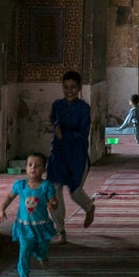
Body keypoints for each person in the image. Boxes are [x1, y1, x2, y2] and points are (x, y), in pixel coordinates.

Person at [0, 152, 59, 277]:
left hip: (41, 225)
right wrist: (2, 209)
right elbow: (9, 197)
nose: (33, 168)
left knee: (42, 246)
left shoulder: (46, 186)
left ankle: (41, 255)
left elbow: (54, 201)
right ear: (25, 168)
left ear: (43, 169)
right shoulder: (20, 185)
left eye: (38, 166)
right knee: (24, 250)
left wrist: (52, 204)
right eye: (30, 165)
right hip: (24, 226)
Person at [49, 70, 96, 238]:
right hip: (59, 154)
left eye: (73, 87)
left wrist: (65, 134)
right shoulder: (57, 105)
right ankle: (60, 229)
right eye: (66, 87)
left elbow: (83, 133)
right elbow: (53, 122)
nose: (69, 91)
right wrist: (55, 130)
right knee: (54, 190)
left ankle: (89, 206)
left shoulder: (84, 108)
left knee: (75, 191)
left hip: (77, 155)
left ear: (79, 88)